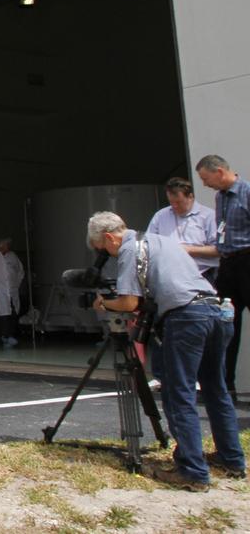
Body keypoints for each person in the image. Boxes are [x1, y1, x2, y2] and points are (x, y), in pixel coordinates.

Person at [87, 210, 244, 490]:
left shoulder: (127, 250)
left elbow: (128, 303)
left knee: (177, 392)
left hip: (186, 318)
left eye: (103, 250)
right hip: (215, 311)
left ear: (110, 237)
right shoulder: (161, 240)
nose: (107, 255)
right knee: (215, 388)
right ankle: (231, 458)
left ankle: (192, 471)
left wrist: (103, 303)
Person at [197, 154, 250, 397]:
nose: (206, 185)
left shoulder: (246, 192)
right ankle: (225, 386)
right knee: (226, 324)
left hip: (247, 260)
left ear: (219, 171)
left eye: (206, 179)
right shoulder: (220, 198)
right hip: (227, 264)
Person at [146, 177, 219, 287]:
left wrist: (189, 250)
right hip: (170, 275)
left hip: (202, 274)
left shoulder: (208, 216)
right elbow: (148, 244)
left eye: (178, 202)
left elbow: (219, 249)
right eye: (171, 202)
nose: (174, 206)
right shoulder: (160, 216)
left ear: (190, 197)